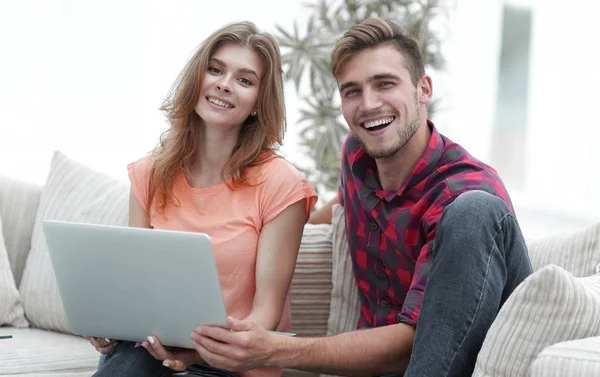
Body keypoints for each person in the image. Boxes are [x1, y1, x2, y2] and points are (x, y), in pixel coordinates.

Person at [170, 18, 534, 377]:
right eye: (352, 91)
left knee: (476, 210)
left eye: (384, 84)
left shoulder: (463, 191)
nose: (369, 104)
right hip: (373, 369)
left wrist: (275, 347)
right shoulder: (359, 157)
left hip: (451, 362)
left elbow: (419, 343)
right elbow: (335, 207)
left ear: (423, 89)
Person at [87, 21, 318, 377]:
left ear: (258, 102)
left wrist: (195, 352)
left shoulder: (281, 184)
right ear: (198, 79)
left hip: (234, 364)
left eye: (244, 80)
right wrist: (111, 323)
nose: (224, 83)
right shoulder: (149, 173)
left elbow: (264, 316)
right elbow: (136, 287)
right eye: (215, 69)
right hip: (152, 353)